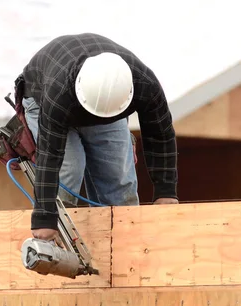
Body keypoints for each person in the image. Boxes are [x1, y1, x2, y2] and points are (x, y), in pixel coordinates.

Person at [15, 33, 179, 243]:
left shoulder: (144, 83)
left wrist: (166, 191)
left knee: (119, 180)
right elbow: (51, 155)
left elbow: (160, 134)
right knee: (70, 168)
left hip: (107, 106)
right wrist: (44, 219)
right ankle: (58, 245)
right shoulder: (58, 93)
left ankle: (126, 251)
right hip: (43, 98)